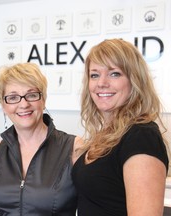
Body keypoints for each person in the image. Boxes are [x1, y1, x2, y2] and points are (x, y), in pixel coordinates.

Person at [72, 39, 169, 216]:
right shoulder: (105, 134)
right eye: (94, 75)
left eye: (114, 74)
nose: (101, 83)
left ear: (135, 80)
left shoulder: (141, 136)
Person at [0, 62, 79, 215]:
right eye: (13, 97)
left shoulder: (74, 147)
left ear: (43, 100)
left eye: (31, 95)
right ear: (4, 106)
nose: (24, 104)